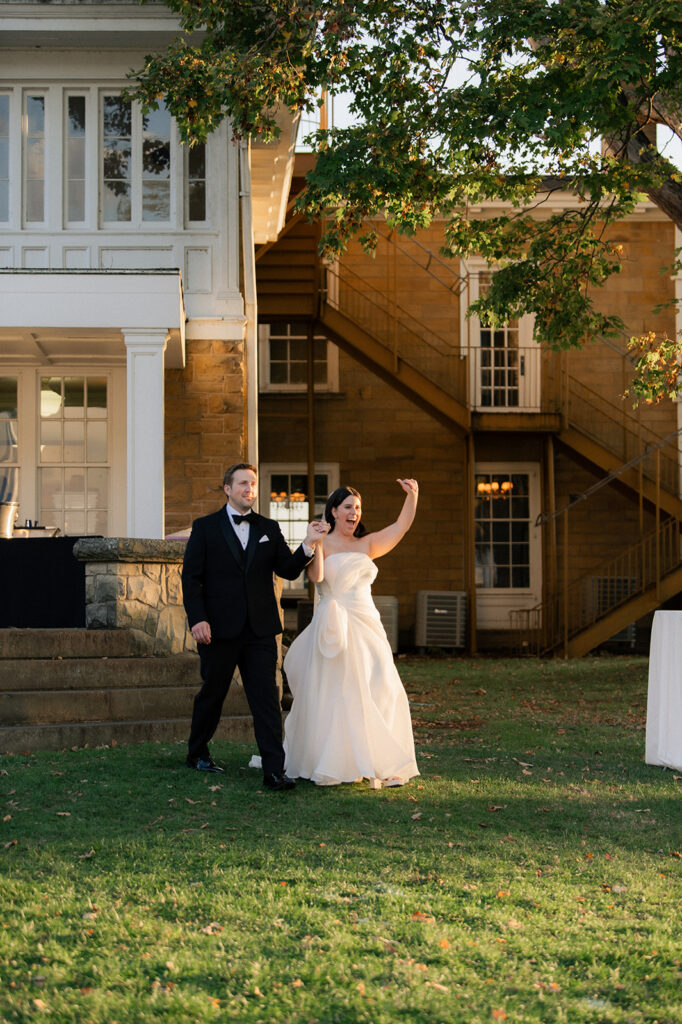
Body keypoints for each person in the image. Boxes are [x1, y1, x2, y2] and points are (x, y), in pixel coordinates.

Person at [182, 463, 327, 791]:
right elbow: (191, 579)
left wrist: (308, 545)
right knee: (213, 694)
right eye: (243, 483)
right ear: (227, 488)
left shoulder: (269, 528)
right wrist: (199, 619)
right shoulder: (204, 528)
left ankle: (274, 771)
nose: (250, 488)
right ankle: (197, 753)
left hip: (261, 630)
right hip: (218, 629)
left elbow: (289, 570)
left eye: (253, 483)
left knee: (267, 699)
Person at [283, 479, 420, 789]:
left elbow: (401, 527)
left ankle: (384, 760)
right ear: (333, 511)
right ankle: (337, 760)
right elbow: (316, 577)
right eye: (348, 507)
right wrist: (315, 543)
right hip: (334, 625)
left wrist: (412, 497)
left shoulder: (367, 544)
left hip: (366, 622)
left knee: (383, 682)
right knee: (338, 692)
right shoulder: (323, 541)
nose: (354, 513)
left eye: (357, 508)